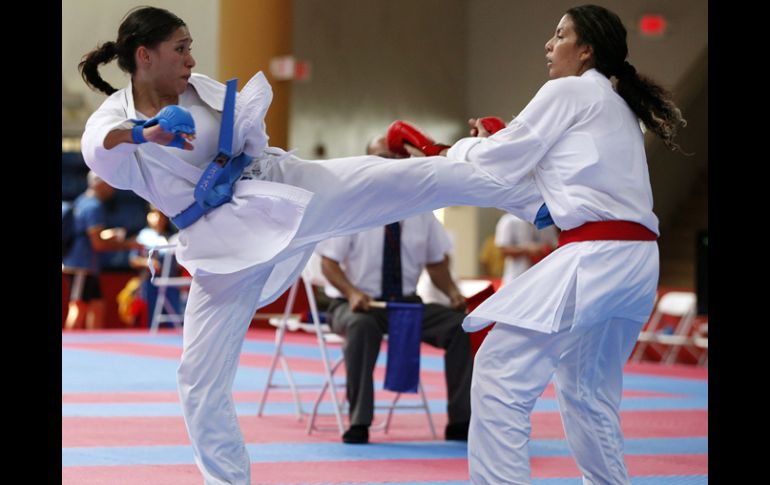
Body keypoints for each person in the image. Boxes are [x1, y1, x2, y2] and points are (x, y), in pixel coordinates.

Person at [78, 7, 536, 484]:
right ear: (144, 55)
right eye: (181, 49)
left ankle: (519, 188)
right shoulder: (117, 116)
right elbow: (99, 144)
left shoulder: (200, 89)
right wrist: (145, 132)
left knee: (396, 177)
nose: (192, 60)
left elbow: (248, 135)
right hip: (223, 246)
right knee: (197, 381)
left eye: (191, 47)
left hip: (279, 189)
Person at [404, 5, 687, 483]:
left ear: (586, 51)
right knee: (587, 393)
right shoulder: (617, 107)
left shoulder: (569, 89)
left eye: (560, 36)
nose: (548, 46)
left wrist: (450, 150)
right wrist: (497, 139)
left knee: (498, 372)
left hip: (597, 256)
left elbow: (501, 161)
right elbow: (546, 172)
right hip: (636, 262)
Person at [316, 135, 472, 445]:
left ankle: (461, 420)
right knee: (361, 327)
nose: (389, 166)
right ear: (368, 164)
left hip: (406, 306)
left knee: (462, 327)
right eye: (381, 160)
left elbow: (436, 263)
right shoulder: (352, 207)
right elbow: (329, 265)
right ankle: (359, 421)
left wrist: (453, 292)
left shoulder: (421, 211)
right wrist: (351, 293)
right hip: (356, 305)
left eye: (395, 160)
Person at [62, 171, 142, 329]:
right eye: (109, 183)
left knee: (97, 305)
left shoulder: (82, 201)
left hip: (85, 264)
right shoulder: (94, 206)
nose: (112, 188)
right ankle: (67, 347)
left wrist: (108, 235)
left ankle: (94, 343)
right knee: (78, 306)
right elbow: (97, 244)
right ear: (98, 183)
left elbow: (87, 234)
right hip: (81, 265)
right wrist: (127, 244)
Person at [127, 205, 181, 328]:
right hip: (149, 282)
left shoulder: (171, 237)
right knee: (151, 318)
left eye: (161, 215)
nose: (157, 219)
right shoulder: (143, 236)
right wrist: (148, 263)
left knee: (173, 318)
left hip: (170, 282)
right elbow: (133, 260)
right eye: (154, 215)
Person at [495, 212, 558, 286]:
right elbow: (502, 250)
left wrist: (544, 250)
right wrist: (526, 250)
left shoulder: (547, 222)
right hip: (517, 277)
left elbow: (555, 247)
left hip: (543, 278)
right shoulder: (508, 220)